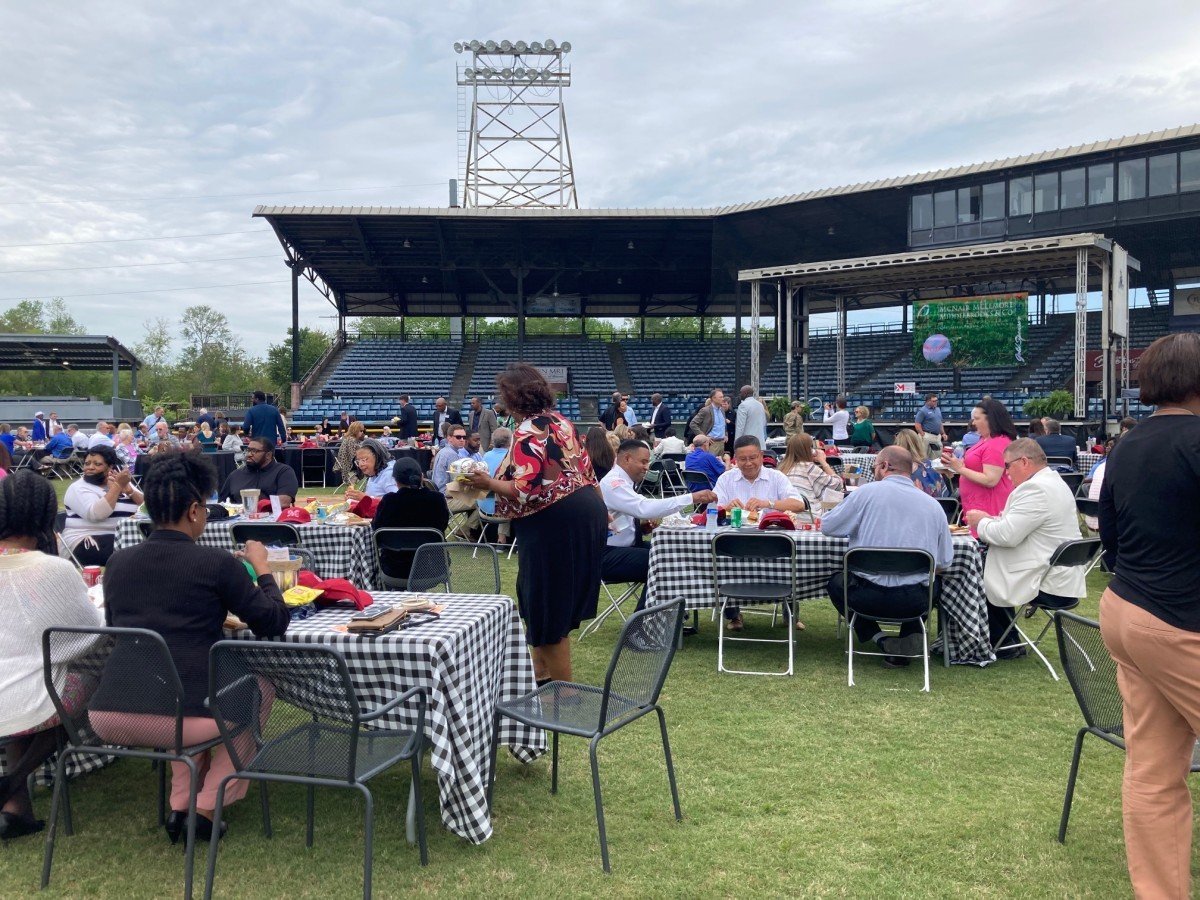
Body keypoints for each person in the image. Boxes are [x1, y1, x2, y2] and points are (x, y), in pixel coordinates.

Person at [94, 451, 289, 843]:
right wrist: (262, 567)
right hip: (181, 713)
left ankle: (180, 802)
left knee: (194, 692)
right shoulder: (215, 564)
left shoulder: (117, 563)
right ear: (197, 510)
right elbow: (272, 622)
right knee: (256, 689)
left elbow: (116, 628)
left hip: (109, 710)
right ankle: (206, 805)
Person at [1094, 332, 1200, 899]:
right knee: (1156, 774)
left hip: (1127, 609)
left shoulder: (1125, 446)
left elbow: (1109, 535)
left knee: (1155, 772)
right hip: (1180, 621)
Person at [464, 363, 606, 684]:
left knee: (548, 601)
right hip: (585, 513)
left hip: (554, 521)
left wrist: (485, 481)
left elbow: (523, 490)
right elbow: (587, 474)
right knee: (536, 596)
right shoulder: (561, 422)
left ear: (513, 398)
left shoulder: (529, 430)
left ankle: (563, 693)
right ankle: (539, 674)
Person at [0, 472, 104, 841]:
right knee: (95, 679)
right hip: (34, 696)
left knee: (24, 686)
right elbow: (88, 637)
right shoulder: (52, 569)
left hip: (10, 693)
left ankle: (16, 810)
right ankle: (13, 781)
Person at [823, 446, 953, 667]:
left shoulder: (865, 493)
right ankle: (906, 640)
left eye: (875, 466)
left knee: (836, 582)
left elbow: (828, 526)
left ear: (884, 466)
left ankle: (880, 638)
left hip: (865, 597)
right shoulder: (934, 506)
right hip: (914, 601)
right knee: (935, 583)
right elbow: (944, 562)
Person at [964, 438, 1086, 656]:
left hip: (1045, 581)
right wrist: (990, 520)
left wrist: (980, 521)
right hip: (1058, 574)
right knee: (984, 567)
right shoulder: (1054, 482)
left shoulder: (1035, 489)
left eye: (1008, 466)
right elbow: (1015, 526)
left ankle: (1001, 643)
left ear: (1024, 462)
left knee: (972, 572)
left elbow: (1006, 536)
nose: (1006, 473)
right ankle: (1005, 640)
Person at [599, 439, 716, 602]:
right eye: (643, 462)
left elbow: (627, 516)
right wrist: (691, 497)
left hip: (624, 548)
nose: (647, 467)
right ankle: (645, 622)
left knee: (674, 552)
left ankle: (668, 613)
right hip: (606, 555)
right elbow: (644, 508)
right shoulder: (614, 483)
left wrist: (641, 528)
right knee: (663, 562)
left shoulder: (622, 481)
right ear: (627, 459)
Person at [713, 435, 807, 632]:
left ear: (761, 456)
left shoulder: (776, 477)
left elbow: (799, 504)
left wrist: (769, 504)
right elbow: (711, 510)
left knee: (789, 561)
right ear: (735, 459)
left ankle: (790, 613)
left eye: (753, 458)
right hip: (735, 542)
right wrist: (726, 507)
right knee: (723, 561)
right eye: (742, 459)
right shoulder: (726, 478)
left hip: (772, 543)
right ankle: (733, 614)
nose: (748, 464)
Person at [940, 398, 1016, 535]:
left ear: (990, 419)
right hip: (976, 506)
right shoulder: (985, 439)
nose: (973, 423)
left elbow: (991, 480)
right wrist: (953, 467)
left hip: (989, 508)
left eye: (977, 418)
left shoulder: (996, 443)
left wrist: (959, 468)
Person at [61, 445, 144, 566]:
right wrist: (116, 487)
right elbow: (96, 514)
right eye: (87, 463)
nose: (90, 467)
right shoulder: (78, 488)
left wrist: (129, 491)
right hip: (86, 540)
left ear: (110, 467)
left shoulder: (119, 482)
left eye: (97, 464)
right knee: (136, 551)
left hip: (125, 537)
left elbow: (149, 507)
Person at [372, 457, 450, 581]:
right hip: (432, 567)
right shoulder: (437, 499)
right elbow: (442, 526)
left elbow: (376, 530)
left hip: (394, 568)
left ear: (395, 480)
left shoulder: (389, 501)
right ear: (422, 476)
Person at [218, 436, 298, 507]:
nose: (249, 454)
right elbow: (221, 503)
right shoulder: (235, 475)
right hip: (239, 522)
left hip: (273, 522)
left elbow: (283, 502)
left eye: (254, 451)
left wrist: (251, 507)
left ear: (268, 455)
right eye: (248, 450)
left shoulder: (283, 472)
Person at [433, 425, 479, 534]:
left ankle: (466, 529)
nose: (462, 440)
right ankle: (465, 529)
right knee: (483, 501)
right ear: (449, 438)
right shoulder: (451, 455)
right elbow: (459, 484)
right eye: (458, 437)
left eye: (464, 437)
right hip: (446, 499)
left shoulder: (444, 451)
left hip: (441, 496)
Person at [777, 432, 842, 508]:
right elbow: (838, 485)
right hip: (809, 516)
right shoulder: (809, 469)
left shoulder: (781, 468)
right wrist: (823, 462)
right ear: (809, 450)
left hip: (786, 516)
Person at [478, 428, 514, 542]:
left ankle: (501, 539)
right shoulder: (512, 457)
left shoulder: (486, 456)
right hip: (501, 510)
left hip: (483, 508)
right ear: (510, 441)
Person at [893, 428, 946, 497]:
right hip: (935, 505)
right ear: (918, 443)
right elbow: (944, 497)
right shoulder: (932, 466)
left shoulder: (892, 471)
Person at [688, 389, 728, 457]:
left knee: (719, 464)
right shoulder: (705, 410)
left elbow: (723, 424)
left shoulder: (722, 410)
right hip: (711, 443)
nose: (723, 399)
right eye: (720, 397)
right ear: (713, 398)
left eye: (722, 397)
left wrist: (726, 434)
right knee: (710, 464)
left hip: (721, 443)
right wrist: (704, 437)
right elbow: (693, 424)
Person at [333, 421, 366, 487]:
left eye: (363, 431)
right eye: (361, 431)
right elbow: (354, 455)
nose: (362, 433)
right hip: (348, 465)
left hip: (347, 464)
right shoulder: (351, 440)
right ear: (355, 430)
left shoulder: (349, 439)